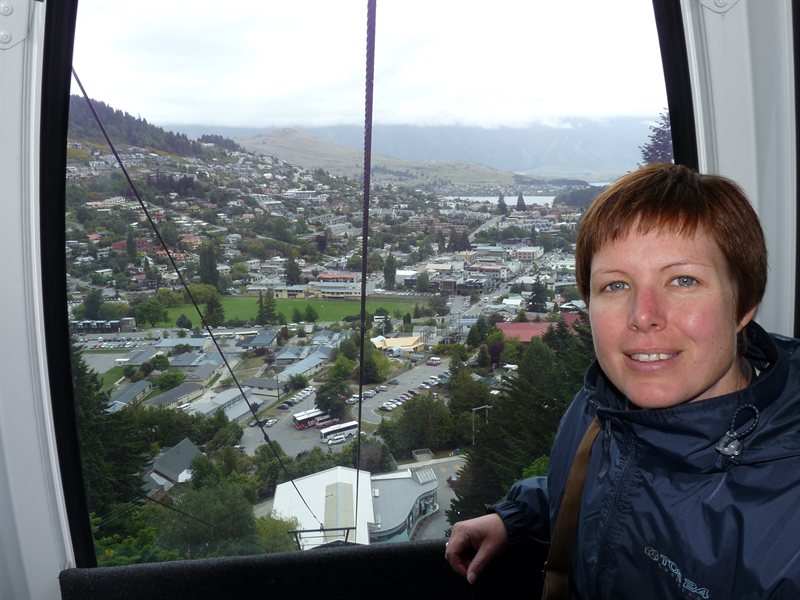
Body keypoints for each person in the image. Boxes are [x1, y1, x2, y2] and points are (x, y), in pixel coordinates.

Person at [444, 163, 800, 598]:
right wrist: (517, 516)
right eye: (615, 286)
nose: (643, 315)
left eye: (683, 280)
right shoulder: (598, 408)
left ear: (743, 305)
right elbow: (605, 486)